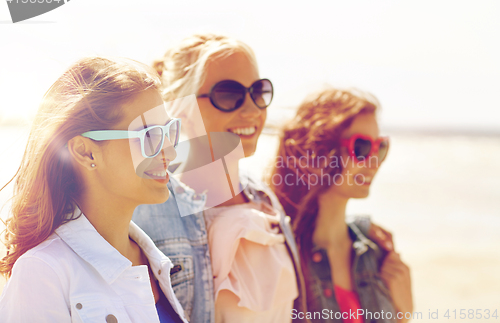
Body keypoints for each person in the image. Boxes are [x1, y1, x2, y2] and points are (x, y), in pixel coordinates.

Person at [133, 34, 396, 323]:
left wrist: (362, 228)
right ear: (180, 106)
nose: (252, 110)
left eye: (258, 92)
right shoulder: (152, 209)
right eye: (229, 95)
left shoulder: (262, 198)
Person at [0, 57, 188, 323]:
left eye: (169, 131)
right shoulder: (43, 273)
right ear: (86, 151)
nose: (169, 150)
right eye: (148, 135)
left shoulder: (154, 260)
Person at [269, 88, 413, 323]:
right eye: (362, 148)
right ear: (319, 151)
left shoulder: (378, 256)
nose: (374, 162)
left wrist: (403, 316)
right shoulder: (278, 254)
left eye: (381, 147)